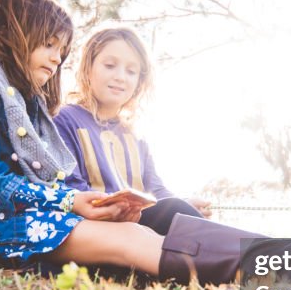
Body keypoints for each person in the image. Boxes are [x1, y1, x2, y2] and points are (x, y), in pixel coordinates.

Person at [0, 0, 291, 284]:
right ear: (11, 35)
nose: (56, 58)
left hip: (21, 220)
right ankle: (284, 264)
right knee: (138, 238)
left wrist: (84, 203)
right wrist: (72, 200)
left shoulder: (22, 103)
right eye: (48, 44)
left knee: (154, 231)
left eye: (61, 49)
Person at [54, 26, 210, 235]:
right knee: (176, 212)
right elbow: (70, 185)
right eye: (110, 65)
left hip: (139, 225)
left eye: (131, 71)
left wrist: (187, 205)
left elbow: (156, 190)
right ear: (87, 67)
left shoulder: (135, 134)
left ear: (139, 81)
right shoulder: (64, 119)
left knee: (178, 211)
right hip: (95, 226)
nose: (120, 77)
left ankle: (258, 256)